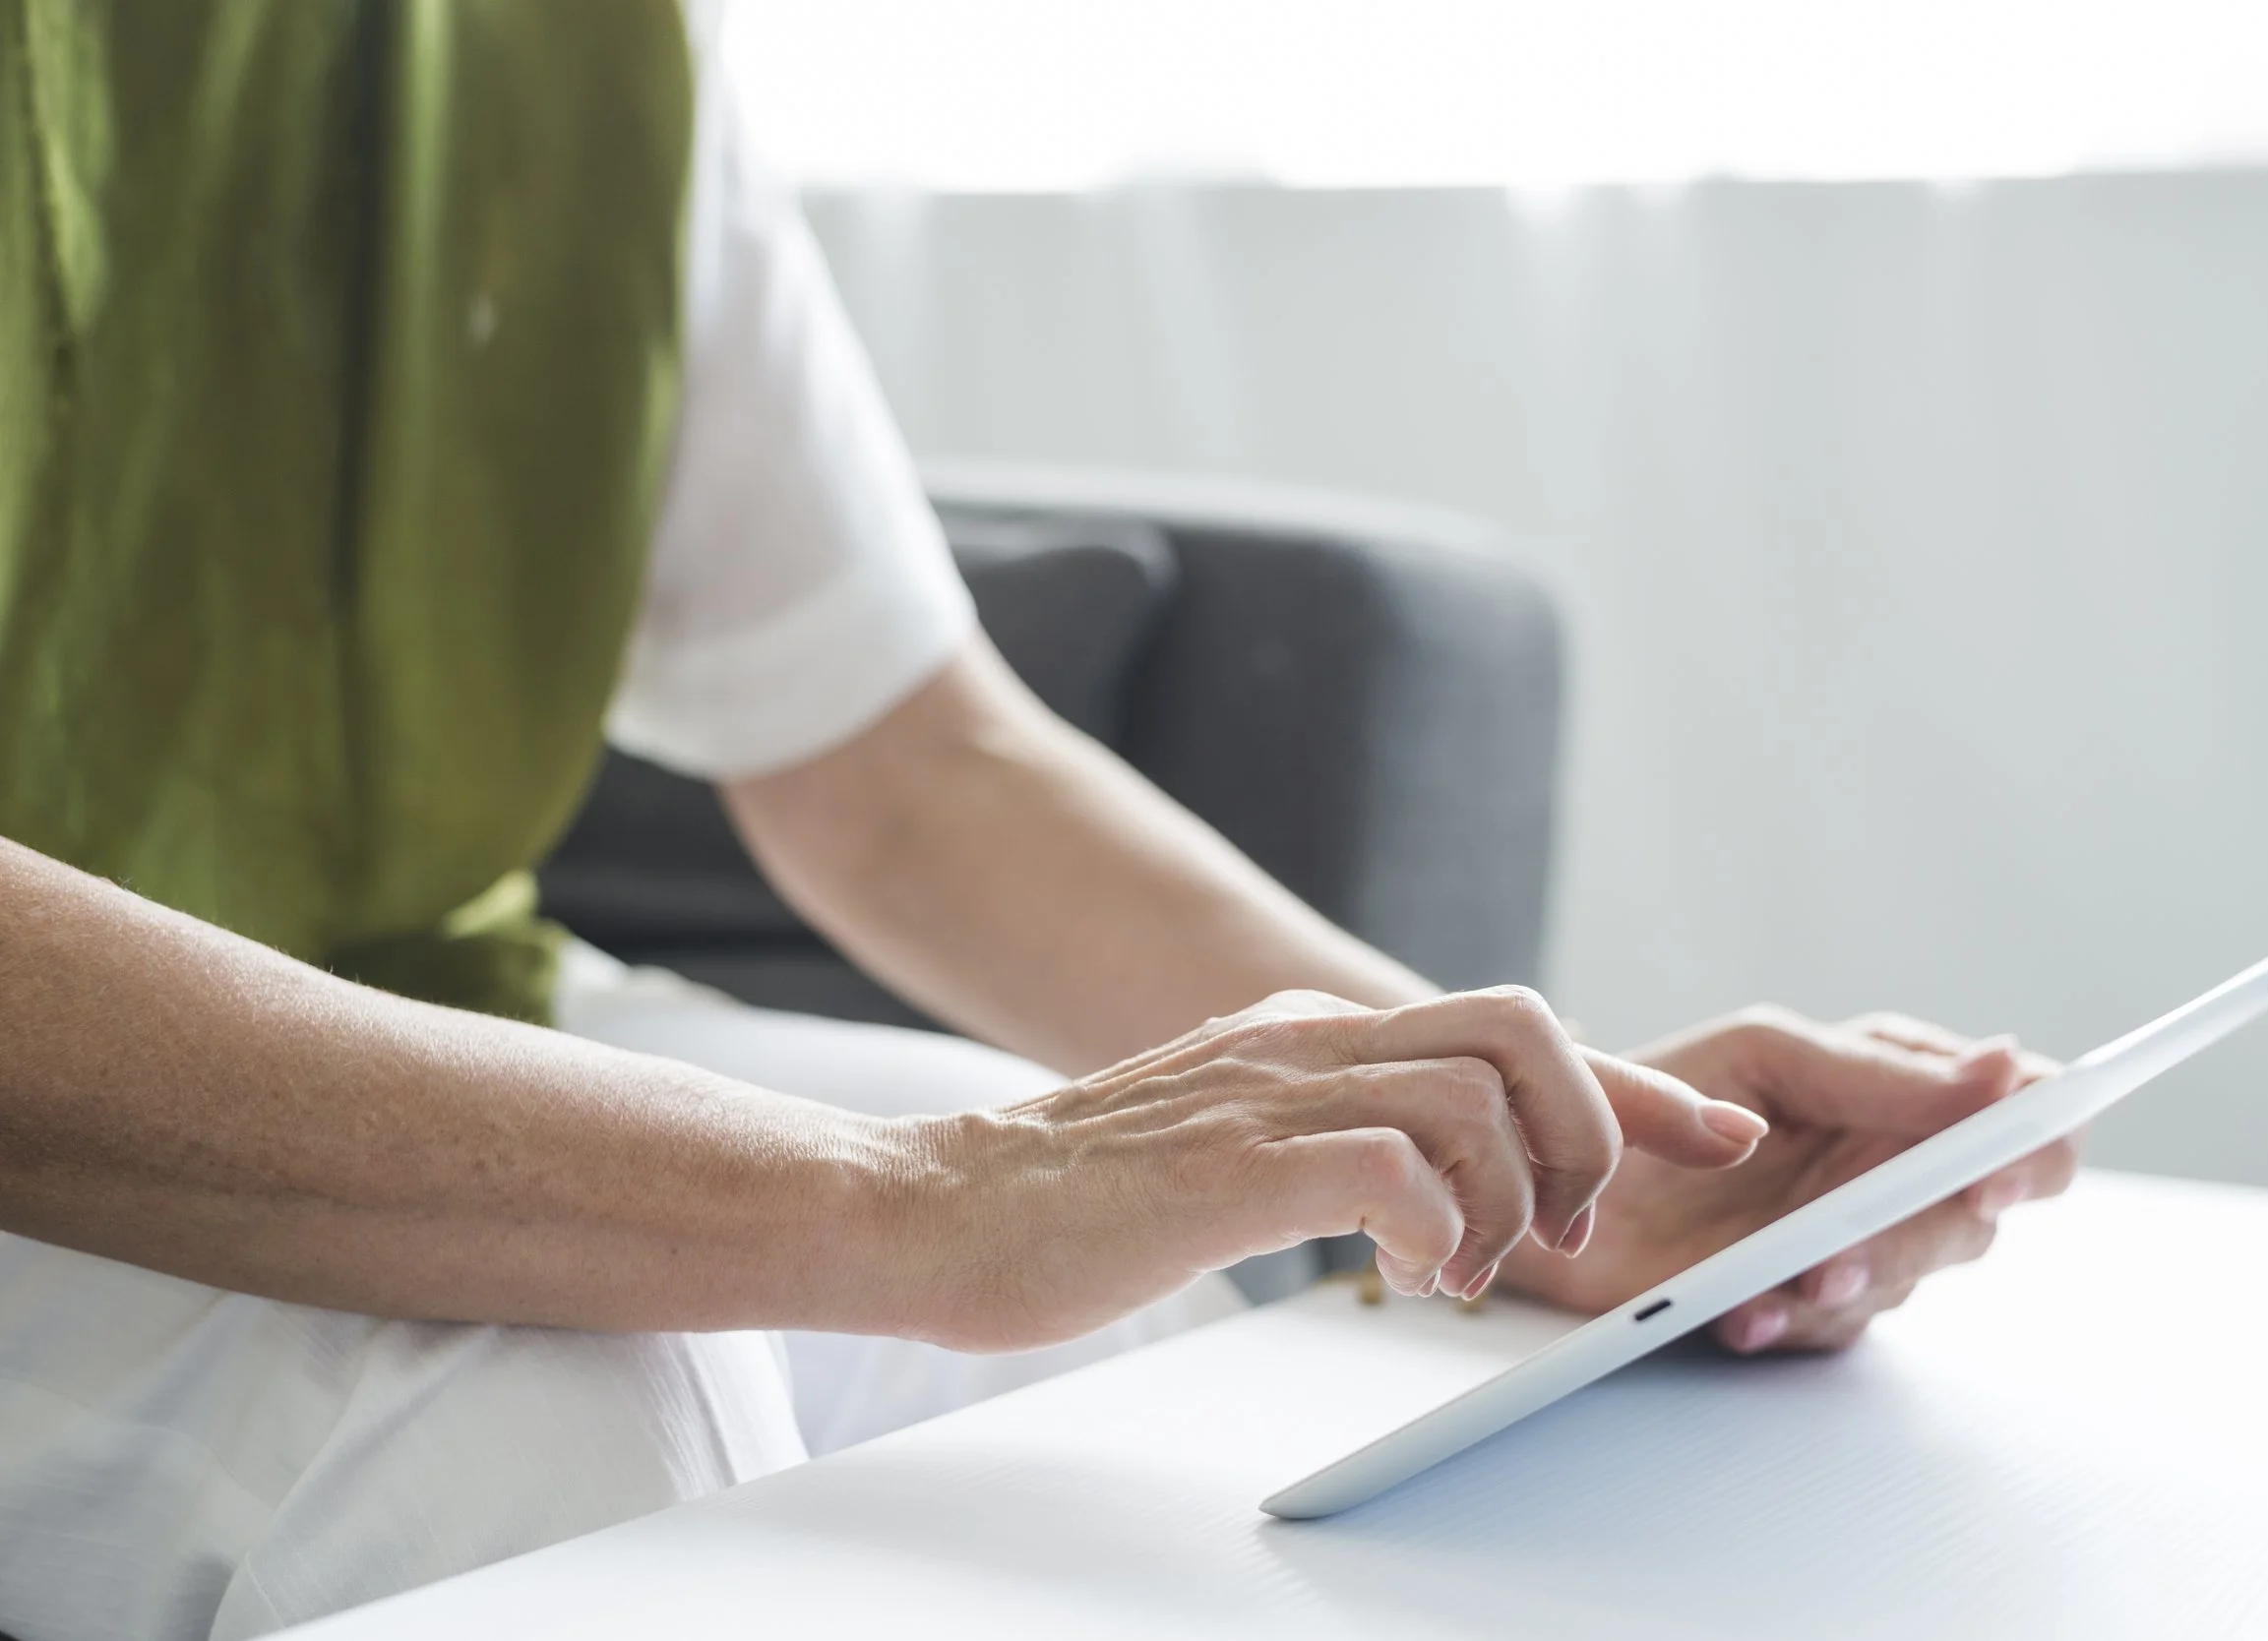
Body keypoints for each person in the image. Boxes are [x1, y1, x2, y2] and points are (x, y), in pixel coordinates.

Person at [0, 5, 2077, 1638]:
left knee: (1135, 1355)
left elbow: (900, 766)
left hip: (413, 986)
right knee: (521, 1398)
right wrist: (920, 1204)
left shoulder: (587, 48)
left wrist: (1525, 1159)